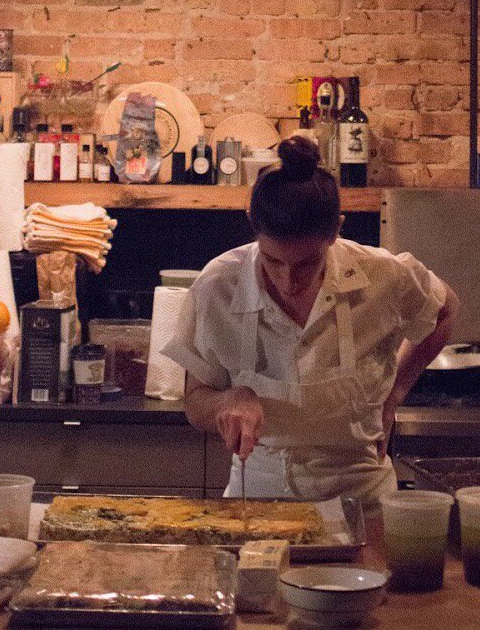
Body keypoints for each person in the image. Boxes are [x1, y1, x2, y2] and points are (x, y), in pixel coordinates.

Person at [161, 136, 458, 510]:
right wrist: (229, 400)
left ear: (336, 230)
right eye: (273, 262)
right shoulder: (218, 285)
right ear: (253, 225)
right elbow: (195, 402)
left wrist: (395, 392)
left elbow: (446, 309)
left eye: (305, 264)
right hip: (256, 497)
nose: (288, 281)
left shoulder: (385, 275)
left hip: (361, 495)